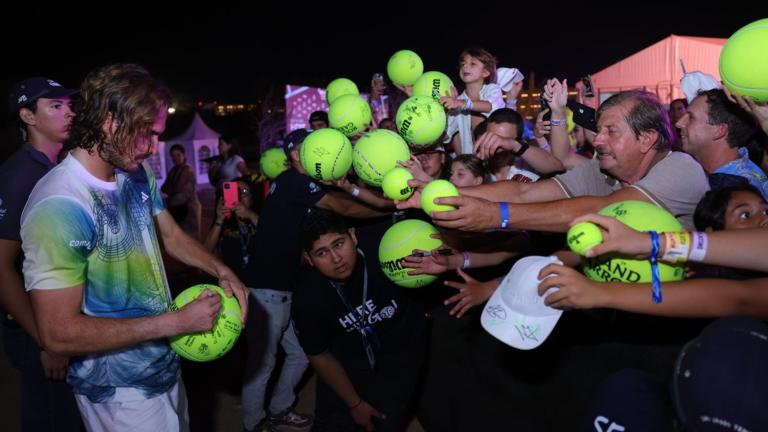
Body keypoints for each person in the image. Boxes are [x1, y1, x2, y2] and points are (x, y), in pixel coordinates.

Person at [20, 63, 249, 432]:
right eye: (147, 133)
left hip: (163, 363)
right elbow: (57, 333)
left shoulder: (135, 172)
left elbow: (171, 237)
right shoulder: (60, 204)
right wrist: (177, 321)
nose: (154, 147)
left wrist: (223, 271)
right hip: (118, 392)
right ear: (110, 121)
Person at [240, 129, 387, 432]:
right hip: (266, 291)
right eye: (309, 148)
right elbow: (344, 208)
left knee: (300, 354)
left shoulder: (287, 183)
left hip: (280, 289)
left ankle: (279, 409)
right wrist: (388, 207)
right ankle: (253, 424)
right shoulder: (295, 180)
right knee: (262, 364)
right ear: (296, 155)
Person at [403, 90, 710, 232]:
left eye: (610, 131)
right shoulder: (600, 169)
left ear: (647, 139)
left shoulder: (680, 168)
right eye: (598, 129)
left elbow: (605, 210)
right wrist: (437, 191)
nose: (598, 140)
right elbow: (522, 193)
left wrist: (499, 217)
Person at [292, 209, 427, 432]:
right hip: (347, 357)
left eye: (338, 244)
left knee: (385, 422)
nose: (336, 259)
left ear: (353, 236)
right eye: (322, 253)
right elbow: (320, 355)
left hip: (403, 349)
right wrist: (355, 404)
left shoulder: (385, 248)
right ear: (308, 259)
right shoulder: (307, 297)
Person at [0, 76, 81, 431]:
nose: (70, 113)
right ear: (28, 116)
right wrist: (47, 342)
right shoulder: (21, 175)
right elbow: (1, 268)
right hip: (36, 331)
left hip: (60, 324)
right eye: (56, 106)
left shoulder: (54, 168)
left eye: (69, 105)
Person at [676, 89, 767, 199]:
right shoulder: (740, 172)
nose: (678, 123)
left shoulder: (733, 192)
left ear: (719, 131)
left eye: (691, 118)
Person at [441, 47, 505, 155]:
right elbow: (447, 134)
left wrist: (461, 103)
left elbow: (490, 106)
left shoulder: (493, 89)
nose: (465, 66)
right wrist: (430, 137)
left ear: (485, 72)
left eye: (472, 64)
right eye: (463, 64)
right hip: (472, 162)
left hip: (495, 156)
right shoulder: (457, 102)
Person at [161, 143, 202, 239]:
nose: (175, 158)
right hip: (178, 209)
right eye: (173, 156)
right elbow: (164, 188)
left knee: (190, 241)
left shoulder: (187, 169)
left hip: (189, 210)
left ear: (184, 155)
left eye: (178, 155)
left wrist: (170, 188)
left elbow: (176, 188)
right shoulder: (174, 170)